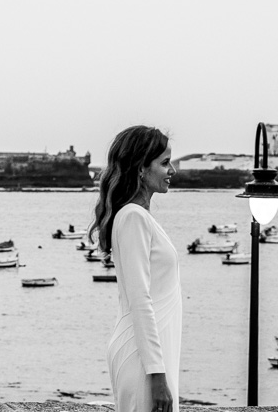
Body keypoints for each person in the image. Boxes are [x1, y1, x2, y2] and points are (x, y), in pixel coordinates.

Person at [93, 125, 179, 412]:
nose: (173, 170)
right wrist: (156, 375)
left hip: (152, 357)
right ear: (141, 168)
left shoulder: (139, 217)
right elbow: (140, 299)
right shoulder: (133, 217)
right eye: (165, 163)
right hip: (142, 361)